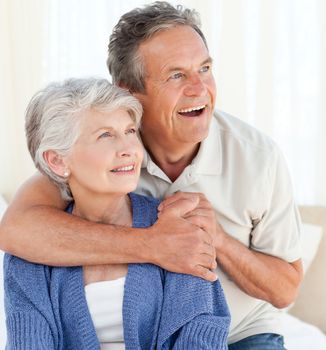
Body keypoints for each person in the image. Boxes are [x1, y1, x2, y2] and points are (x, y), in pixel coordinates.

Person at [0, 2, 302, 349]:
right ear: (129, 91)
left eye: (204, 68)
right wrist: (157, 245)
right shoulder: (104, 157)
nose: (199, 88)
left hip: (244, 332)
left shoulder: (258, 158)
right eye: (176, 75)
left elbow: (285, 289)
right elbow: (16, 230)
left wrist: (215, 238)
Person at [4, 78, 230, 349]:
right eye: (105, 135)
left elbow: (201, 335)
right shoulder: (30, 252)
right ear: (57, 160)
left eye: (131, 131)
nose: (129, 150)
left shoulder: (178, 229)